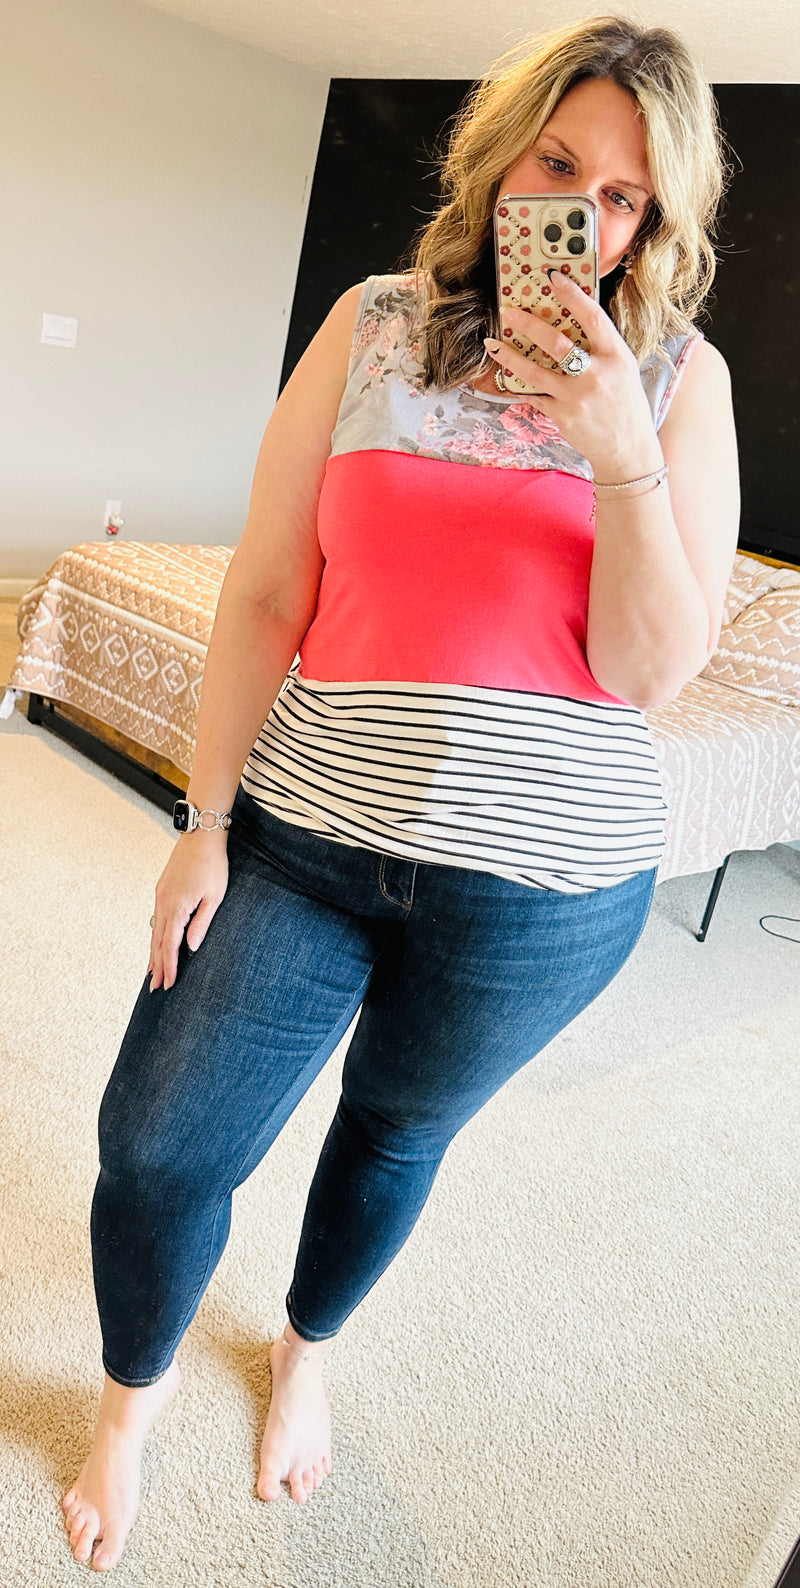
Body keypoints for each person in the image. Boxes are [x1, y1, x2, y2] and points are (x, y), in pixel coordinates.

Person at [62, 13, 739, 1572]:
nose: (580, 213)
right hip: (303, 841)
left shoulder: (678, 384)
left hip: (541, 895)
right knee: (158, 1149)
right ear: (502, 158)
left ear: (654, 222)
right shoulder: (372, 323)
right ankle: (129, 1405)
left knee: (391, 1133)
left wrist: (620, 453)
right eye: (558, 164)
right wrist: (202, 823)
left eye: (623, 197)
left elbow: (648, 672)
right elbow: (263, 591)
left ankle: (306, 1352)